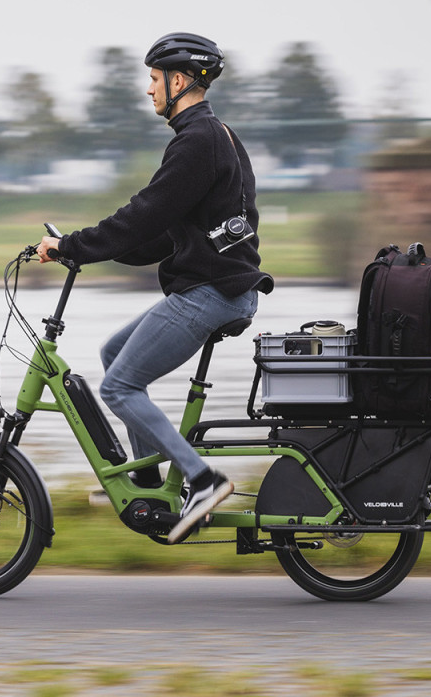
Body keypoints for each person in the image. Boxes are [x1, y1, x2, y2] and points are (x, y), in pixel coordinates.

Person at [36, 32, 273, 543]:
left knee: (119, 387)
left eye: (153, 78)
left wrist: (73, 246)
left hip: (210, 292)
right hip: (220, 285)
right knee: (112, 350)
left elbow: (146, 211)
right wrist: (95, 251)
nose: (149, 89)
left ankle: (203, 481)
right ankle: (145, 477)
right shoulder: (218, 136)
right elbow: (165, 230)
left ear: (179, 80)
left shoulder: (197, 142)